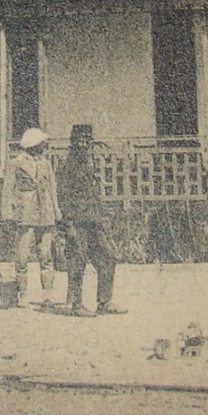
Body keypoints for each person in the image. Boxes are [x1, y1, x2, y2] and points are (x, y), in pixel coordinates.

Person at [57, 123, 122, 317]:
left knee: (108, 256)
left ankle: (104, 301)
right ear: (73, 141)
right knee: (77, 262)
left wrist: (102, 218)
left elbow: (94, 193)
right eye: (80, 139)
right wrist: (68, 224)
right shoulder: (66, 165)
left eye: (87, 139)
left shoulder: (90, 162)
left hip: (94, 220)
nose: (84, 143)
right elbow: (62, 196)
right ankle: (77, 304)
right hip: (76, 221)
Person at [0, 127, 59, 304]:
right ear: (34, 145)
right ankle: (22, 292)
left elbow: (52, 188)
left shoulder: (46, 164)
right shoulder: (16, 163)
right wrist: (7, 213)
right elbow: (8, 189)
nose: (45, 145)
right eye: (42, 143)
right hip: (25, 211)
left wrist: (56, 211)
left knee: (45, 252)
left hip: (45, 210)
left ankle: (47, 291)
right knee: (22, 255)